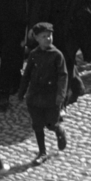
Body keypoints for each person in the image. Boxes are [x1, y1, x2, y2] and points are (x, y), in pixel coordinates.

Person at [18, 23, 67, 164]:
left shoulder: (57, 55)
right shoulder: (34, 54)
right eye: (44, 36)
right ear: (37, 38)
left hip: (51, 97)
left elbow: (63, 76)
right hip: (34, 97)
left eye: (50, 35)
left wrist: (60, 96)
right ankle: (42, 152)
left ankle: (59, 130)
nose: (48, 39)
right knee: (37, 124)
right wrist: (22, 92)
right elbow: (26, 75)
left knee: (51, 123)